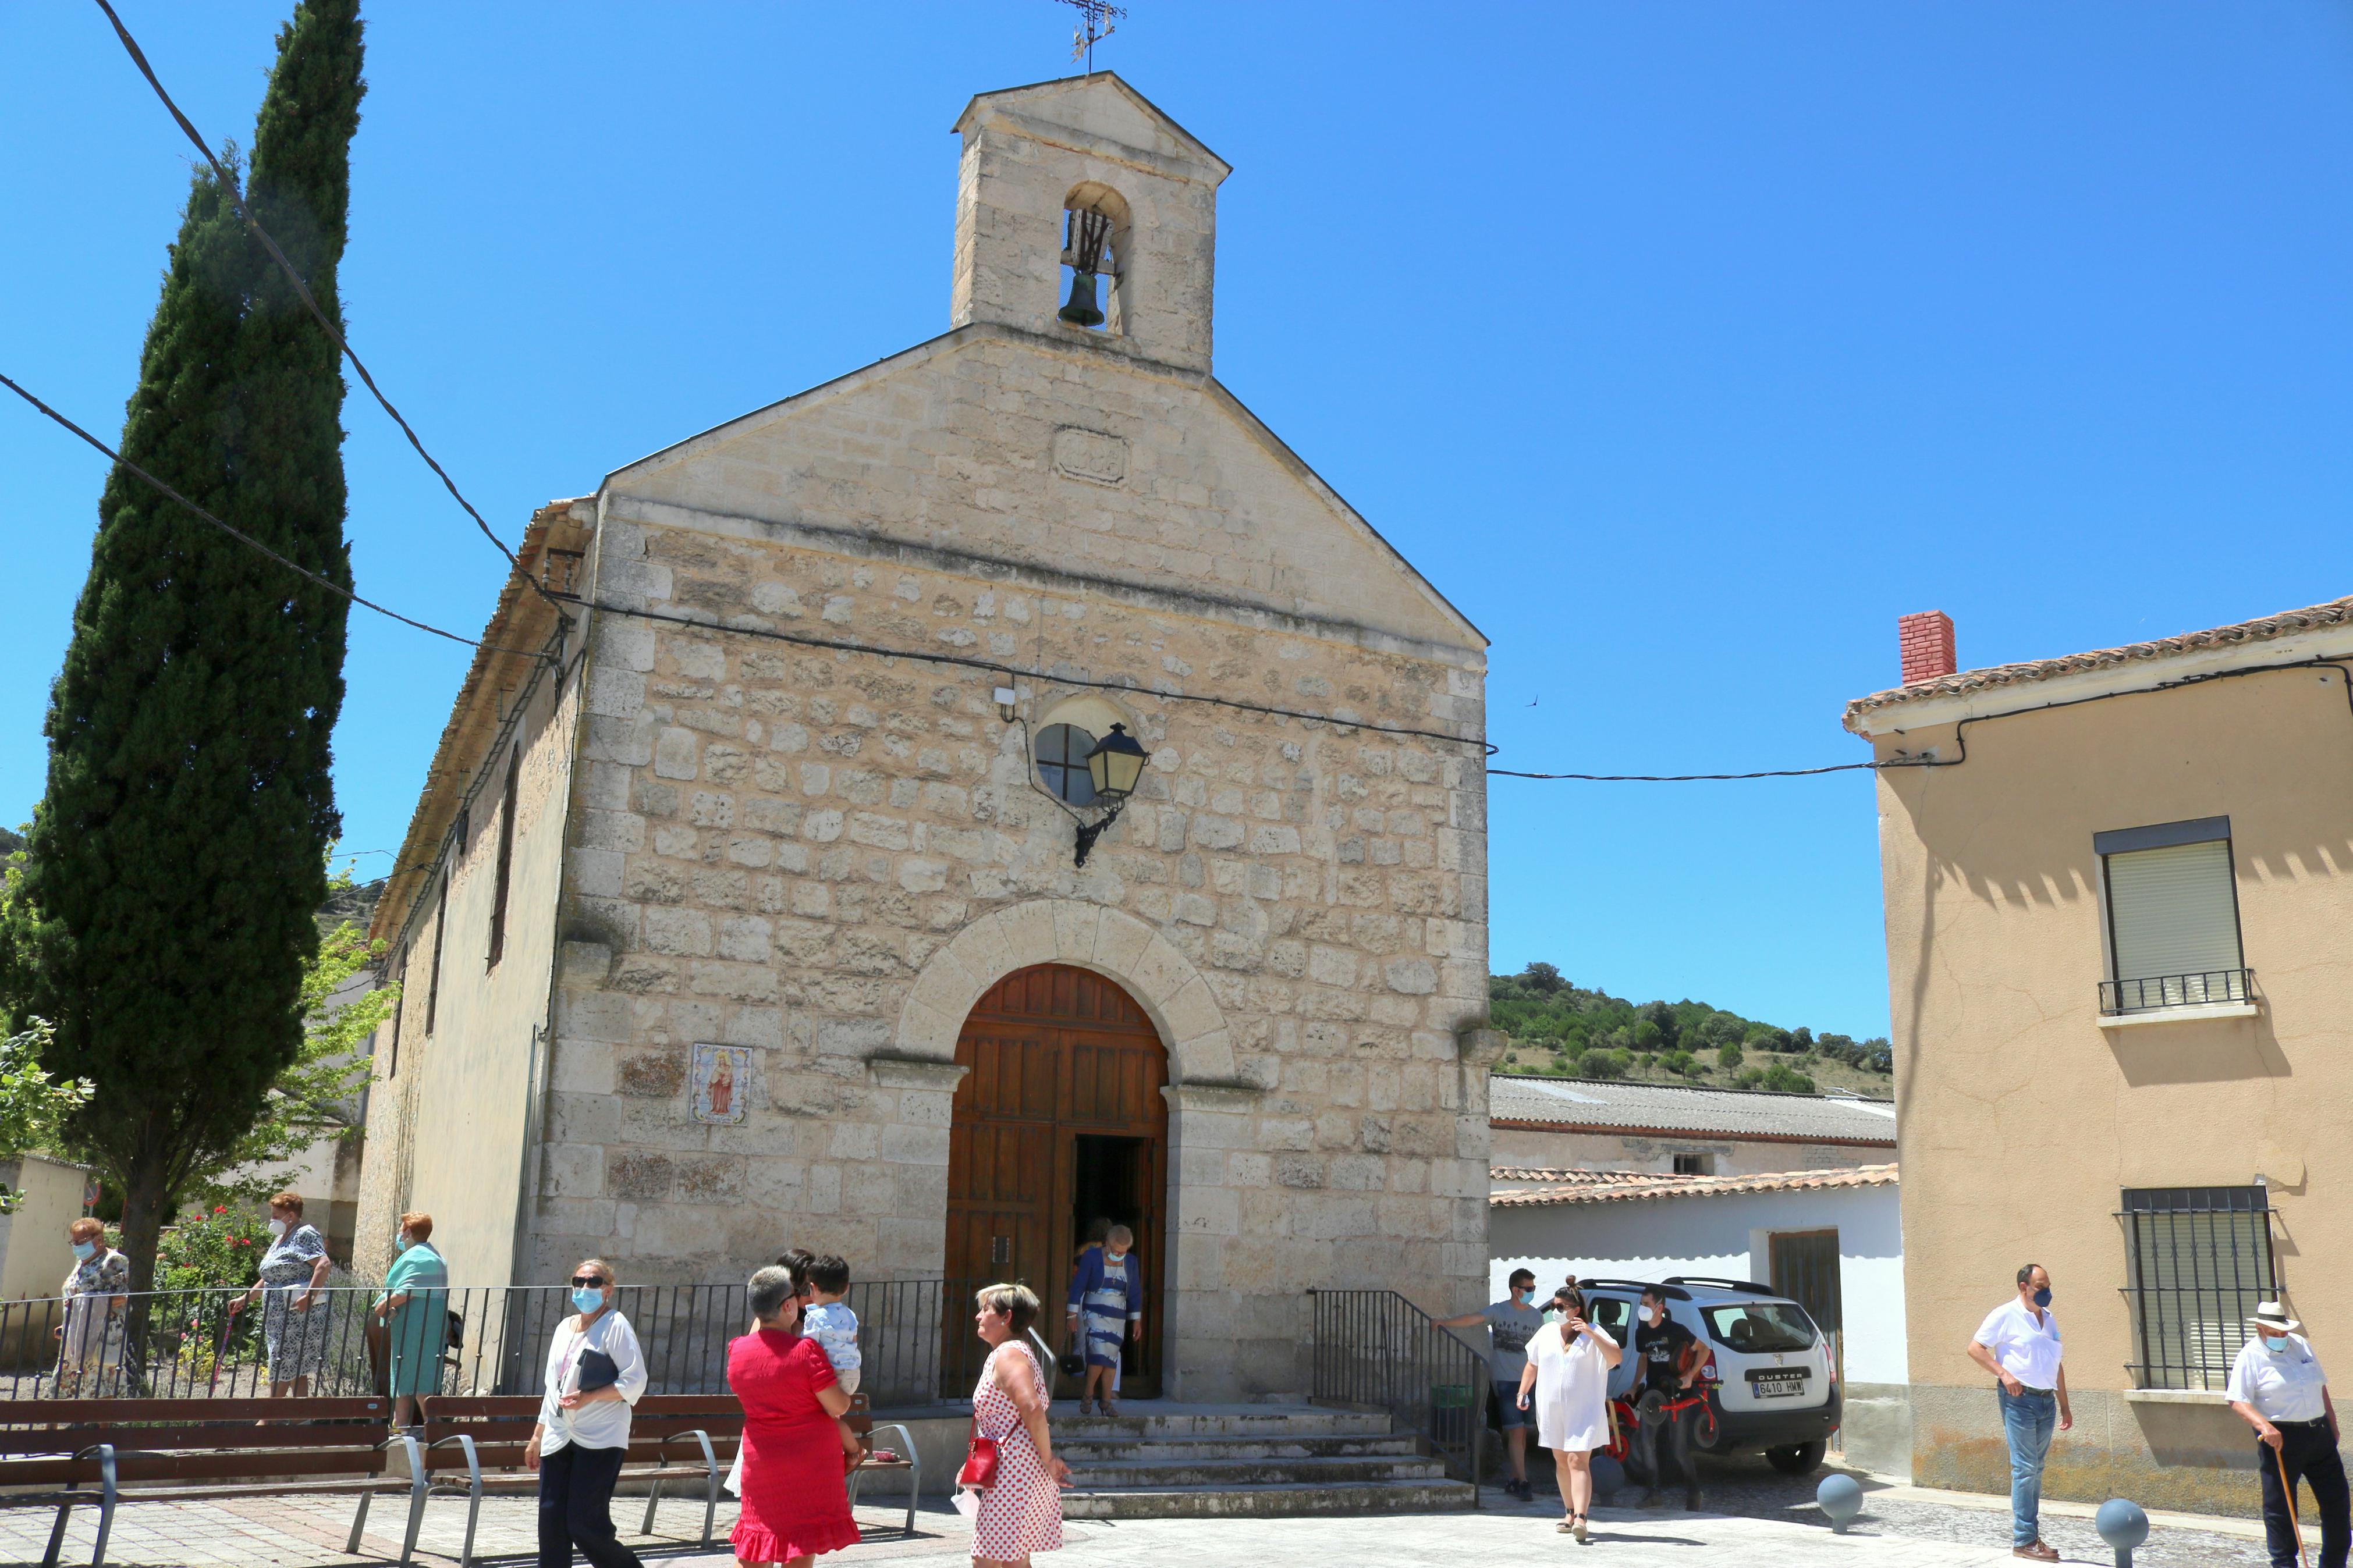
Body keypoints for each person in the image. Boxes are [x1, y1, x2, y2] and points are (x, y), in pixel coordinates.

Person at [727, 1263, 860, 1568]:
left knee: (755, 1547)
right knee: (800, 1549)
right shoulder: (805, 1352)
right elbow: (838, 1405)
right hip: (809, 1463)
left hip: (761, 1462)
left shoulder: (738, 1351)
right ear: (788, 1306)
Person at [526, 1258, 648, 1568]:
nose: (584, 1287)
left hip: (600, 1437)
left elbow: (635, 1381)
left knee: (585, 1523)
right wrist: (537, 1436)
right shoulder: (562, 1328)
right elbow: (551, 1388)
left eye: (593, 1281)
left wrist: (590, 1397)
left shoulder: (615, 1324)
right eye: (578, 1281)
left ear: (608, 1290)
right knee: (551, 1522)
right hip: (558, 1435)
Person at [2227, 1301, 2348, 1568]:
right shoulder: (2250, 1356)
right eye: (2275, 1333)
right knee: (2281, 1509)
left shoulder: (2301, 1345)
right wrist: (2265, 1427)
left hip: (2319, 1435)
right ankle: (2284, 1564)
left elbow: (2321, 1387)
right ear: (2260, 1329)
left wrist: (2333, 1423)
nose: (2281, 1337)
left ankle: (2334, 1563)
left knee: (2338, 1503)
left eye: (2283, 1332)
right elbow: (2237, 1400)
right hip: (2282, 1440)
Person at [1967, 1263, 2071, 1563]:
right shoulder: (2005, 1315)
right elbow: (1975, 1348)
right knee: (2025, 1469)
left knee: (2036, 1469)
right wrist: (2003, 1373)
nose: (2047, 1291)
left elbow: (2056, 1364)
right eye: (2040, 1286)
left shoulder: (2049, 1319)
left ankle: (2030, 1536)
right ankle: (2024, 1539)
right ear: (2023, 1287)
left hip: (2045, 1402)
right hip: (2019, 1400)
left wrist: (2064, 1405)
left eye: (2048, 1284)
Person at [970, 1283, 1071, 1567]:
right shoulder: (1013, 1352)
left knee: (986, 1559)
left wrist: (1049, 1458)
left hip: (1013, 1470)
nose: (979, 1316)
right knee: (1014, 1559)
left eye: (986, 1309)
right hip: (1018, 1466)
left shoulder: (1009, 1355)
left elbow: (1031, 1407)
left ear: (1007, 1317)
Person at [1516, 1285, 1621, 1542]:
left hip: (1584, 1409)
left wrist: (1592, 1334)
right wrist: (1522, 1392)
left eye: (1561, 1307)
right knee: (1561, 1460)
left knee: (1578, 1460)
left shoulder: (1593, 1332)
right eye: (1554, 1306)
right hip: (1553, 1409)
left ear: (1576, 1310)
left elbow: (1615, 1357)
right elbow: (1533, 1364)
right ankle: (1569, 1513)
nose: (1556, 1311)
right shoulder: (1546, 1332)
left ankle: (1582, 1518)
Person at [1436, 1268, 1544, 1500]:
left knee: (1522, 1433)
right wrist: (1445, 1323)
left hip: (1529, 1381)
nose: (1532, 1292)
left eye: (1533, 1289)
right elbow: (1473, 1318)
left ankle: (1515, 1479)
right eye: (1529, 1289)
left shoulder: (1537, 1317)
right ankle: (1524, 1481)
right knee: (1515, 1432)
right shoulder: (1499, 1310)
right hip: (1505, 1381)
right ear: (1516, 1290)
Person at [228, 1191, 335, 1396]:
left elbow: (323, 1264)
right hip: (279, 1317)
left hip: (297, 1313)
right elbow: (271, 1276)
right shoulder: (281, 1238)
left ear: (291, 1216)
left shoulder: (304, 1234)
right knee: (295, 1369)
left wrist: (310, 1297)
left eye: (276, 1216)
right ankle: (300, 1421)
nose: (272, 1220)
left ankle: (268, 1420)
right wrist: (245, 1298)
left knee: (282, 1364)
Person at [1631, 1285, 1714, 1511]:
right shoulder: (1642, 1332)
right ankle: (1653, 1493)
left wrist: (1689, 1375)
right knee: (1646, 1442)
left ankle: (1694, 1492)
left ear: (1660, 1307)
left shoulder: (1676, 1329)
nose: (1643, 1309)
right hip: (1653, 1395)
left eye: (1647, 1305)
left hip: (1677, 1394)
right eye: (1642, 1304)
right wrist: (1633, 1386)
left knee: (1678, 1448)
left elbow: (1704, 1350)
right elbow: (1644, 1359)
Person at [371, 1211, 449, 1427]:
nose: (399, 1234)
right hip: (414, 1323)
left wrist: (385, 1304)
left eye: (401, 1229)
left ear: (408, 1232)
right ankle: (400, 1425)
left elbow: (409, 1290)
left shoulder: (422, 1257)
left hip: (418, 1324)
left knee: (418, 1376)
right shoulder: (429, 1255)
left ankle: (434, 1426)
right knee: (405, 1375)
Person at [1064, 1224, 1141, 1416]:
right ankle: (1089, 1393)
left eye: (1123, 1252)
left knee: (1111, 1358)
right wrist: (1072, 1314)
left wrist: (1136, 1319)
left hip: (1117, 1314)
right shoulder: (1091, 1257)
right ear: (1107, 1244)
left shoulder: (1131, 1262)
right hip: (1094, 1311)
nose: (1119, 1255)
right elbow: (1078, 1285)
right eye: (1116, 1251)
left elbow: (1135, 1291)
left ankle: (1106, 1401)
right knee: (1098, 1354)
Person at [54, 1218, 129, 1396]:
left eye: (82, 1242)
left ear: (99, 1239)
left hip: (102, 1335)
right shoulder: (82, 1261)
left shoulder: (114, 1260)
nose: (77, 1246)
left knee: (101, 1384)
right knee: (62, 1384)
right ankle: (59, 1423)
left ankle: (101, 1424)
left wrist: (82, 1300)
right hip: (75, 1333)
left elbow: (121, 1297)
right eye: (74, 1242)